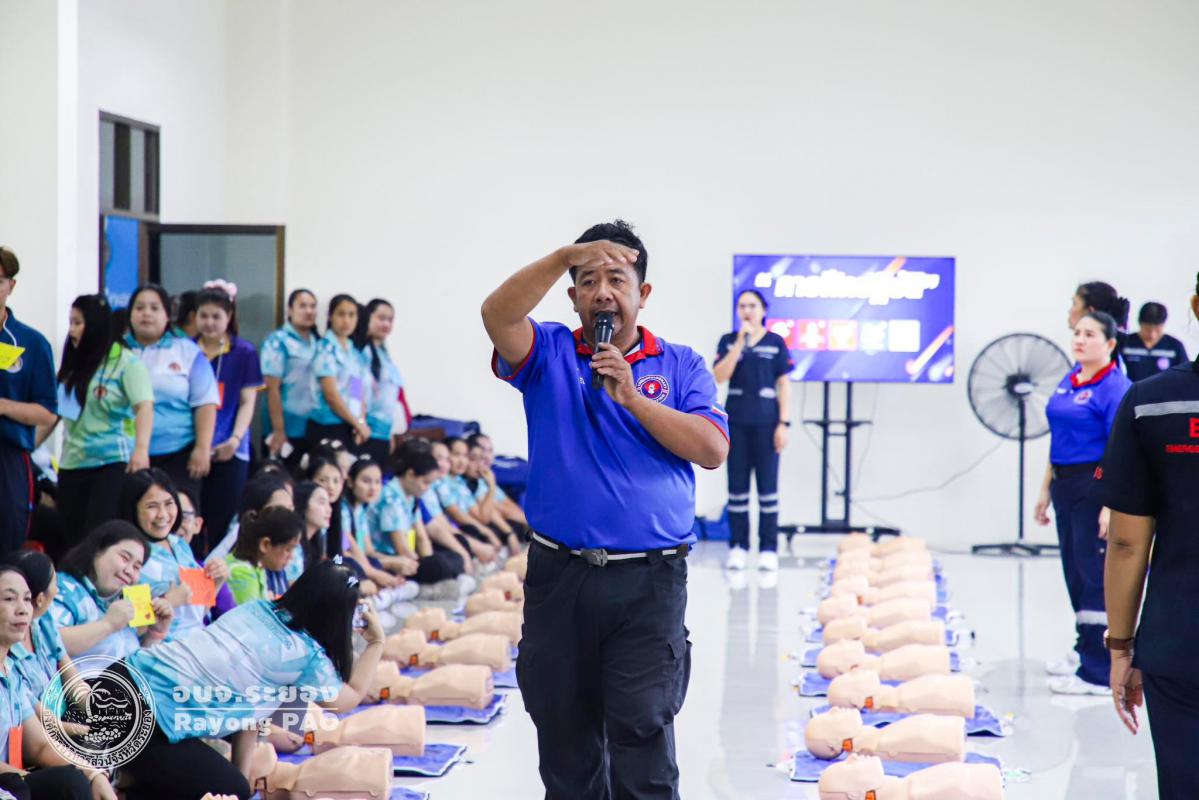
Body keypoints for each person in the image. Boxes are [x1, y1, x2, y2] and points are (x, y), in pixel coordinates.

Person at [481, 220, 729, 798]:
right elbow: (496, 315)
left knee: (642, 730)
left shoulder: (681, 364)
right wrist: (563, 255)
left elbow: (712, 449)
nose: (603, 293)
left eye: (617, 280)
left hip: (649, 583)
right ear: (572, 297)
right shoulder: (548, 352)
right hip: (560, 578)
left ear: (644, 293)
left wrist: (633, 398)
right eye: (588, 281)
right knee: (565, 739)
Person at [111, 559, 386, 800]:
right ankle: (120, 780)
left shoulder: (257, 608)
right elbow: (349, 698)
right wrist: (376, 643)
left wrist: (241, 780)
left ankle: (123, 771)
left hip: (117, 679)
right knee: (225, 790)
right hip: (141, 720)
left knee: (237, 785)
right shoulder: (306, 654)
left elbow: (251, 709)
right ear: (339, 616)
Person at [1093, 277, 1199, 799]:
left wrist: (1120, 647)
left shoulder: (1152, 402)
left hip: (1180, 640)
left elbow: (1128, 543)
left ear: (1196, 307)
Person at [1033, 311, 1131, 694]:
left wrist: (1111, 504)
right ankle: (1084, 650)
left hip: (1094, 486)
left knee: (1094, 575)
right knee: (1074, 572)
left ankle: (1098, 670)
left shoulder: (1114, 387)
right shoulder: (1071, 379)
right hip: (1064, 484)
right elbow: (1057, 438)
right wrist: (1045, 490)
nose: (1080, 339)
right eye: (1077, 333)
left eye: (1090, 334)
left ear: (1110, 343)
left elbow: (1121, 449)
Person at [38, 295, 153, 543]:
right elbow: (55, 415)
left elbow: (144, 406)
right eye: (70, 322)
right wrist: (27, 446)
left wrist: (141, 450)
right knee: (71, 536)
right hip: (72, 463)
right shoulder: (74, 363)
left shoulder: (125, 362)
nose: (72, 330)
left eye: (78, 323)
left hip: (111, 462)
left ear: (95, 325)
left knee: (98, 535)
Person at [0, 565, 117, 800]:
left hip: (14, 780)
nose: (23, 609)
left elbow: (40, 746)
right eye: (9, 599)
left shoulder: (10, 673)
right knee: (67, 784)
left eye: (26, 599)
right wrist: (25, 779)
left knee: (78, 775)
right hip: (9, 782)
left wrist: (92, 774)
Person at [712, 289, 794, 572]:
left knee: (768, 490)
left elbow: (784, 384)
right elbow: (719, 376)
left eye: (752, 305)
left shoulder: (775, 342)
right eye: (742, 306)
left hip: (767, 424)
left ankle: (768, 549)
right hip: (736, 423)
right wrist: (739, 344)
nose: (747, 311)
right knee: (737, 490)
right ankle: (739, 547)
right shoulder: (728, 340)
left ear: (763, 310)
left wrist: (783, 423)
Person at [123, 284, 219, 502]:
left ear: (167, 315)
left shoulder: (187, 351)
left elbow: (205, 403)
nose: (147, 313)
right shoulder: (117, 351)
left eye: (154, 308)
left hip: (178, 452)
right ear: (130, 314)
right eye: (140, 308)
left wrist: (202, 448)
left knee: (179, 512)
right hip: (126, 453)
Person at [117, 469, 229, 642]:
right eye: (152, 506)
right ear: (133, 509)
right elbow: (133, 631)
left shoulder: (179, 544)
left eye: (169, 503)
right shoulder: (132, 555)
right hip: (163, 650)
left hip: (197, 642)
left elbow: (196, 612)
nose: (163, 514)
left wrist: (217, 582)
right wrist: (169, 601)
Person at [194, 284, 265, 556]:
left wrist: (234, 440)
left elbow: (247, 401)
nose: (210, 322)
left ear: (229, 317)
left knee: (223, 520)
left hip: (231, 449)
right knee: (191, 517)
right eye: (204, 315)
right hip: (192, 448)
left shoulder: (244, 352)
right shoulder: (188, 350)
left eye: (217, 316)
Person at [51, 521, 173, 675]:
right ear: (97, 550)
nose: (129, 571)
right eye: (124, 558)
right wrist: (108, 625)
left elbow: (135, 670)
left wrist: (155, 635)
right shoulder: (64, 588)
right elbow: (49, 641)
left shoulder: (126, 602)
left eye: (137, 567)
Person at [0, 246, 58, 554]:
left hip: (9, 453)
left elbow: (47, 412)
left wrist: (4, 406)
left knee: (7, 541)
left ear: (11, 286)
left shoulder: (31, 343)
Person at [370, 450, 467, 596]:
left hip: (407, 554)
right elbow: (402, 548)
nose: (427, 488)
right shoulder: (391, 498)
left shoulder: (411, 497)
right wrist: (426, 566)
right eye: (425, 482)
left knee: (451, 556)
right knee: (439, 566)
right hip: (388, 557)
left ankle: (435, 577)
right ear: (410, 475)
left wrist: (429, 560)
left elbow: (422, 537)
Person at [261, 288, 319, 465]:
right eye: (303, 306)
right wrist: (279, 430)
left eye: (312, 306)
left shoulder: (318, 342)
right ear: (290, 310)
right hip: (287, 427)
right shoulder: (277, 340)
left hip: (314, 425)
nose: (309, 311)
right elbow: (272, 387)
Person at [309, 295, 372, 452]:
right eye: (341, 314)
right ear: (330, 316)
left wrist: (360, 422)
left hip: (350, 425)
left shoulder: (353, 351)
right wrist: (356, 423)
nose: (346, 320)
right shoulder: (325, 348)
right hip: (327, 424)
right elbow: (331, 395)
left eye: (351, 315)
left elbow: (357, 390)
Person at [354, 298, 406, 465]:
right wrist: (359, 423)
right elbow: (355, 388)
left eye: (390, 320)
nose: (386, 324)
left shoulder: (384, 353)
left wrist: (390, 433)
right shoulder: (360, 351)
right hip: (366, 430)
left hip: (383, 433)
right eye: (381, 318)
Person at [225, 507, 303, 604]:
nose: (291, 556)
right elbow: (252, 613)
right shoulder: (241, 572)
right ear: (265, 544)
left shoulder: (258, 567)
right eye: (288, 549)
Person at [1121, 302, 1189, 382]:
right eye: (1147, 330)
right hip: (1131, 389)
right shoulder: (1125, 344)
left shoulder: (1175, 347)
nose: (1152, 335)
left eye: (1157, 330)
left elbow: (1185, 375)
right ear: (1139, 323)